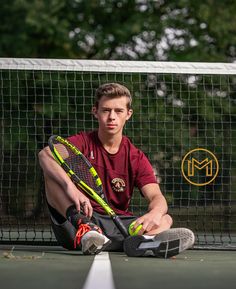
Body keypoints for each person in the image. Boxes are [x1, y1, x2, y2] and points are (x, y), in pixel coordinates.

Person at [38, 83, 194, 257]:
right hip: (79, 221)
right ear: (95, 112)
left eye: (118, 111)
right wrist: (71, 188)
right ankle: (89, 232)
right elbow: (45, 155)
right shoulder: (82, 142)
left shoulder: (136, 157)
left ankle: (145, 243)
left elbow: (157, 197)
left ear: (128, 114)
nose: (112, 117)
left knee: (166, 218)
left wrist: (155, 213)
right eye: (106, 110)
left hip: (119, 224)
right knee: (50, 173)